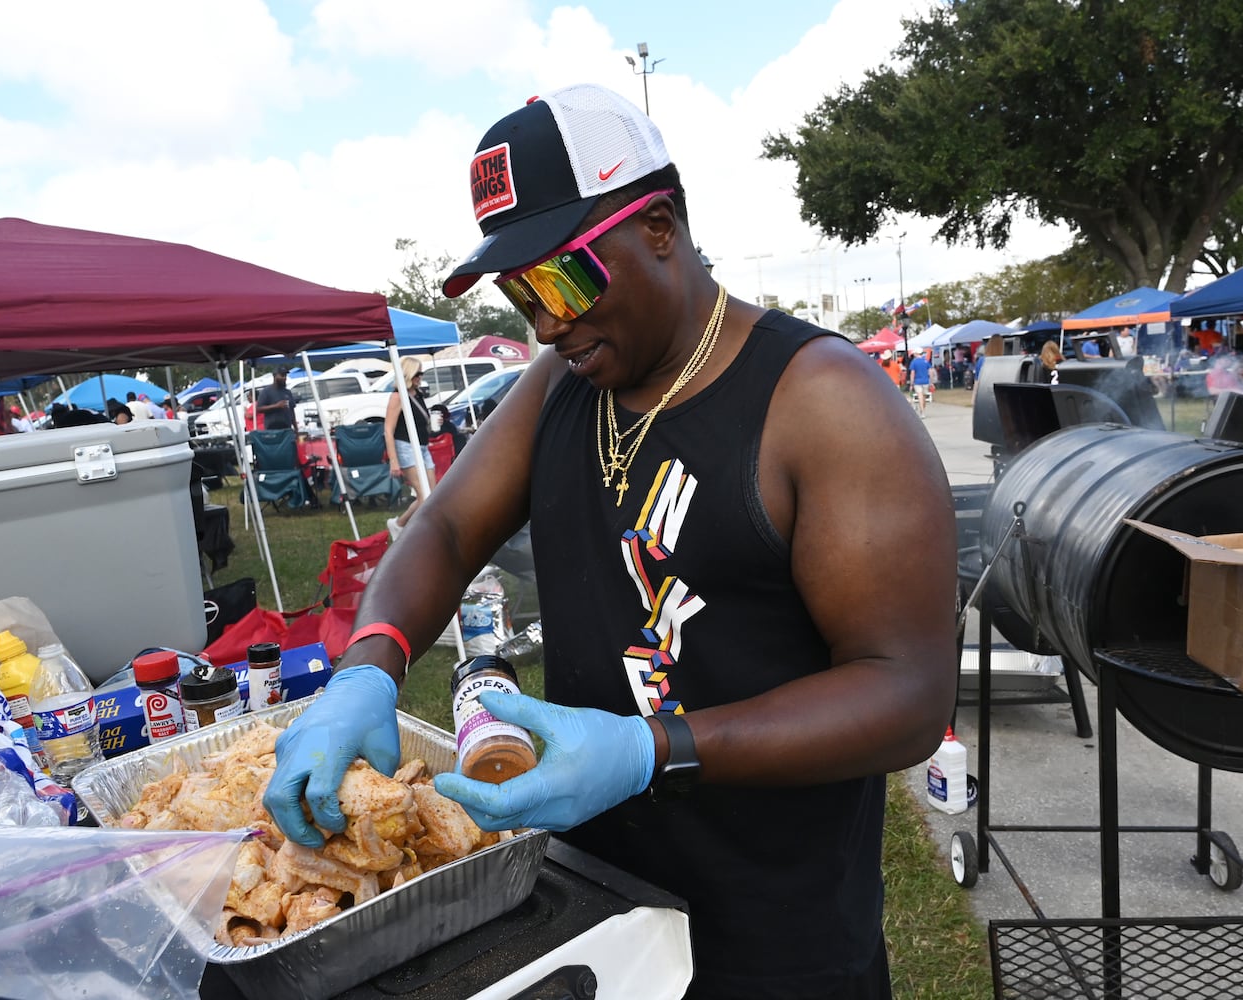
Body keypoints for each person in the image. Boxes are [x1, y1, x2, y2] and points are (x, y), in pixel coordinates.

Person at [263, 83, 956, 998]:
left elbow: (904, 695)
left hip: (770, 935)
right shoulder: (560, 383)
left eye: (561, 278)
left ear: (659, 225)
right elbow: (445, 524)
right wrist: (369, 666)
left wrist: (649, 751)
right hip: (595, 904)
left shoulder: (820, 402)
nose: (545, 322)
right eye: (521, 293)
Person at [383, 357, 438, 536]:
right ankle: (407, 527)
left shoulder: (418, 394)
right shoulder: (398, 396)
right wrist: (394, 461)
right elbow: (388, 430)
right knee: (424, 496)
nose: (420, 377)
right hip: (406, 446)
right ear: (408, 373)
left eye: (421, 373)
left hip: (422, 446)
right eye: (417, 373)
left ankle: (402, 525)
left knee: (432, 494)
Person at [256, 366, 297, 431]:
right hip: (272, 430)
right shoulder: (266, 391)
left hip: (287, 430)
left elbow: (292, 412)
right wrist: (276, 406)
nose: (284, 378)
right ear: (275, 376)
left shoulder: (288, 392)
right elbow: (258, 409)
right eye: (282, 375)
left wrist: (296, 429)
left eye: (285, 376)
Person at [907, 350, 934, 416]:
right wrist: (931, 382)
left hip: (917, 381)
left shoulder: (914, 362)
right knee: (924, 396)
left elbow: (912, 373)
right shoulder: (926, 361)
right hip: (925, 381)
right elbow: (930, 372)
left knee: (920, 396)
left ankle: (922, 411)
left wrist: (911, 383)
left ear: (916, 354)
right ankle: (923, 410)